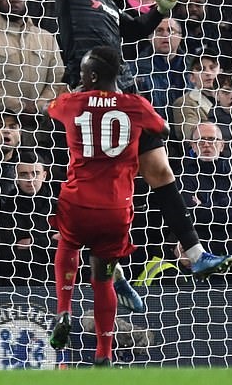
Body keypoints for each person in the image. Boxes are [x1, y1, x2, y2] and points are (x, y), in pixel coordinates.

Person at [51, 0, 232, 312]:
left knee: (158, 172)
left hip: (125, 87)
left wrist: (159, 13)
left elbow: (128, 31)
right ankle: (109, 271)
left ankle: (193, 254)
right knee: (100, 185)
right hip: (89, 87)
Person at [46, 46, 204, 366]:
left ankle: (63, 310)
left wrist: (81, 92)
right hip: (115, 209)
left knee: (68, 243)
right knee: (103, 278)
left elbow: (51, 109)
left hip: (78, 201)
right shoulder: (134, 105)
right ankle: (104, 354)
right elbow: (164, 129)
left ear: (90, 76)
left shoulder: (72, 102)